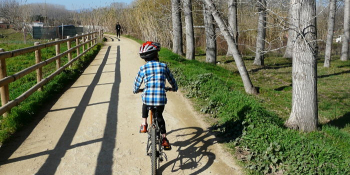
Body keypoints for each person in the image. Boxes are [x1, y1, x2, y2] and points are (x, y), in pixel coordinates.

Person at [133, 41, 178, 149]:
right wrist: (174, 88)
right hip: (160, 99)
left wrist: (136, 90)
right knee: (159, 116)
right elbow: (171, 80)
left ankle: (144, 124)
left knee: (145, 102)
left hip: (148, 98)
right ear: (156, 55)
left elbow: (136, 83)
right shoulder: (163, 66)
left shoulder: (143, 68)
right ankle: (164, 138)